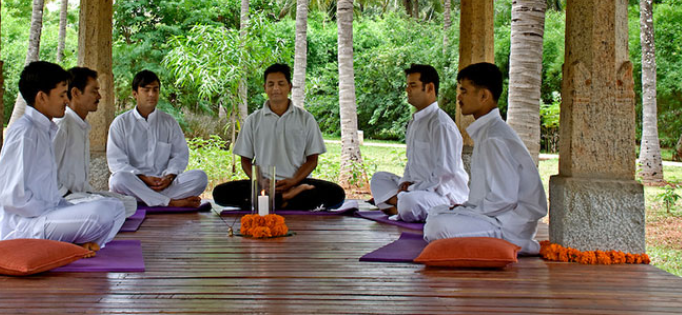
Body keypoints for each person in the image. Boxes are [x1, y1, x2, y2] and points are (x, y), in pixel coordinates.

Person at [0, 61, 126, 253]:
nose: (67, 101)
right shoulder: (25, 133)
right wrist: (56, 211)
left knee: (116, 208)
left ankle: (74, 246)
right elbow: (14, 198)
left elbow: (49, 193)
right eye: (61, 95)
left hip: (46, 216)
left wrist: (64, 208)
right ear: (42, 97)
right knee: (99, 213)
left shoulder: (43, 130)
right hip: (23, 226)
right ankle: (65, 247)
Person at [424, 62, 547, 255]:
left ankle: (519, 245)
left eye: (464, 91)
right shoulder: (489, 131)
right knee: (436, 214)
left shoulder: (494, 137)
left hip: (508, 225)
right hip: (494, 217)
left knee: (436, 227)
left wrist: (466, 212)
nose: (459, 97)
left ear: (484, 96)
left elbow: (504, 199)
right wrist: (464, 208)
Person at [212, 63, 345, 210]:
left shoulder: (305, 119)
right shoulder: (253, 120)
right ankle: (287, 198)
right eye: (271, 84)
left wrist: (293, 181)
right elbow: (245, 160)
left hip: (298, 182)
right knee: (220, 193)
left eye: (281, 84)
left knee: (336, 194)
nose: (276, 88)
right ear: (265, 88)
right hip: (263, 185)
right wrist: (261, 182)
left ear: (289, 86)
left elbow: (312, 160)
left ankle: (274, 201)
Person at [370, 64, 468, 222]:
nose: (407, 90)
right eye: (407, 85)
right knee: (378, 179)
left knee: (409, 201)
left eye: (413, 85)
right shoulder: (414, 122)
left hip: (442, 195)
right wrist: (404, 183)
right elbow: (411, 162)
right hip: (415, 189)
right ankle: (402, 208)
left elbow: (445, 173)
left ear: (429, 88)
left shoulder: (440, 124)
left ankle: (401, 207)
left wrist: (411, 189)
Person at [107, 70, 208, 208]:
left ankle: (146, 200)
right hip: (136, 183)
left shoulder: (169, 122)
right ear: (135, 94)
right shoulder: (121, 123)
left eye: (155, 90)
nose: (152, 94)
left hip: (164, 186)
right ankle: (170, 202)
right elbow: (116, 163)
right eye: (146, 90)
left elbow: (180, 156)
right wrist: (144, 178)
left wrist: (169, 177)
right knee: (118, 180)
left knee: (200, 177)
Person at [53, 66, 138, 217]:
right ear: (76, 93)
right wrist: (70, 195)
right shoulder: (62, 124)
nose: (99, 96)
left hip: (80, 196)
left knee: (129, 203)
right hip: (62, 199)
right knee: (107, 207)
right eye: (94, 91)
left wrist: (92, 194)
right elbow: (48, 172)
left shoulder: (81, 126)